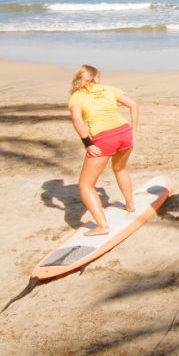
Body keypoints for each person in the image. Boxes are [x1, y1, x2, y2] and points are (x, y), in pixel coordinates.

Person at [67, 65, 138, 237]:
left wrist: (87, 143)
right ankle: (130, 205)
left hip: (105, 139)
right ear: (96, 77)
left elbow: (77, 119)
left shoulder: (77, 97)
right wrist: (133, 130)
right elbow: (134, 105)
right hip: (125, 133)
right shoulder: (110, 89)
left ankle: (102, 226)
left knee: (85, 185)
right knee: (120, 168)